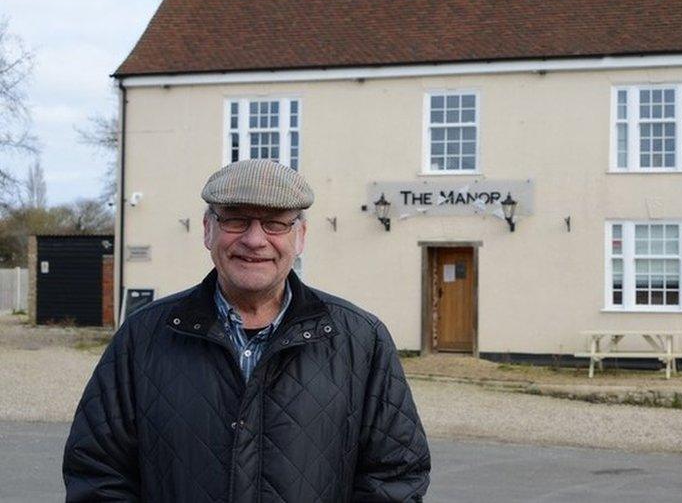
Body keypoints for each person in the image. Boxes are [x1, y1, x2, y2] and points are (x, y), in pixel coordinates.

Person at [63, 160, 430, 502]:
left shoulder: (359, 340)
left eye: (275, 223)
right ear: (208, 230)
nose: (255, 240)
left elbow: (395, 476)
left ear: (299, 236)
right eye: (236, 220)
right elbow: (98, 474)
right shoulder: (143, 337)